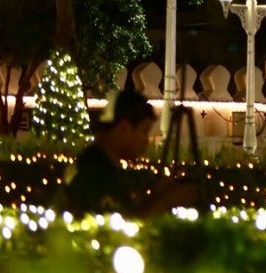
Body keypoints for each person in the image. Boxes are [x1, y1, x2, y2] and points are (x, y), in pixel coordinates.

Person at [57, 90, 197, 216]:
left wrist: (158, 195)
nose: (146, 141)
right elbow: (116, 228)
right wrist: (167, 201)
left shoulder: (96, 164)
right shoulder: (96, 174)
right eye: (144, 131)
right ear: (123, 128)